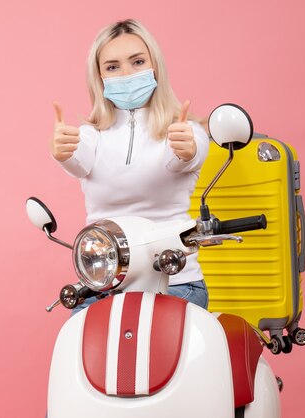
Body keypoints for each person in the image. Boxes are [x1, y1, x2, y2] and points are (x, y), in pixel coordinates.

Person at [50, 19, 210, 312]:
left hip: (174, 282)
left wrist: (187, 148)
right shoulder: (90, 136)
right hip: (103, 286)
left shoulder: (185, 130)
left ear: (155, 67)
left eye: (137, 62)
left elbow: (187, 154)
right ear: (99, 77)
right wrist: (63, 152)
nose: (126, 74)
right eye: (112, 67)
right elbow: (77, 159)